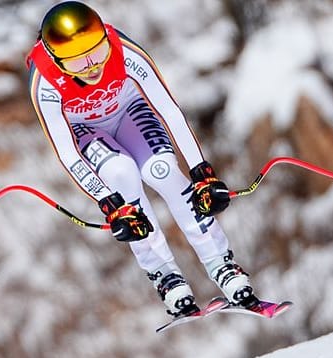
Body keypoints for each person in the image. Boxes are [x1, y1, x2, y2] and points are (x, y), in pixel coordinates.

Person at [26, 1, 257, 319]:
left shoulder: (125, 52)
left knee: (162, 171)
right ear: (56, 60)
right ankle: (166, 276)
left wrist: (202, 173)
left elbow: (169, 110)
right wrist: (109, 203)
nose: (92, 67)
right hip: (87, 130)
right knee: (120, 174)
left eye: (97, 52)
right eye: (78, 63)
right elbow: (67, 152)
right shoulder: (45, 84)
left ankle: (222, 265)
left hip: (129, 113)